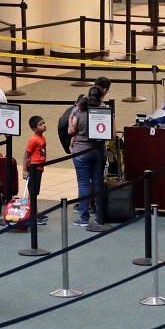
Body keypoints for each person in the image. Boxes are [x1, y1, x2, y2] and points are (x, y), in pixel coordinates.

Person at [69, 87, 114, 226]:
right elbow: (112, 135)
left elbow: (71, 131)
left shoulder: (80, 112)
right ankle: (100, 217)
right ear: (102, 97)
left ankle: (83, 218)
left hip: (81, 152)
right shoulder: (106, 112)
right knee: (98, 183)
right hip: (99, 152)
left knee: (83, 184)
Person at [23, 116, 47, 225]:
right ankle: (32, 215)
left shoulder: (42, 138)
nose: (44, 125)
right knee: (32, 191)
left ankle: (35, 212)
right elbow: (26, 155)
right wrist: (25, 170)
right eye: (41, 124)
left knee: (35, 191)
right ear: (34, 128)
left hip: (39, 168)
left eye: (44, 123)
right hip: (33, 168)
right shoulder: (33, 140)